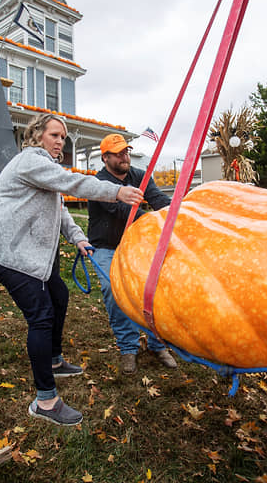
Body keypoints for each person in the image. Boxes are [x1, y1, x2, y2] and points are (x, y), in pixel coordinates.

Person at [0, 114, 144, 426]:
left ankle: (52, 360)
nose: (60, 142)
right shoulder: (29, 161)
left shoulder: (45, 170)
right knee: (41, 316)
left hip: (24, 252)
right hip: (7, 251)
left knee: (59, 295)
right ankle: (45, 401)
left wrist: (79, 238)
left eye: (63, 137)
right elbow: (72, 183)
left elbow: (61, 208)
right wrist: (114, 191)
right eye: (54, 135)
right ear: (37, 136)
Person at [87, 134, 178, 374]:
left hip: (136, 243)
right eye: (118, 153)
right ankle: (129, 347)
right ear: (105, 157)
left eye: (126, 151)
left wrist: (176, 213)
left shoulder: (139, 175)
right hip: (106, 246)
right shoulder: (100, 182)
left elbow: (158, 199)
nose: (124, 156)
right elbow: (123, 212)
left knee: (155, 289)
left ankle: (158, 344)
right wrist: (154, 220)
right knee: (113, 290)